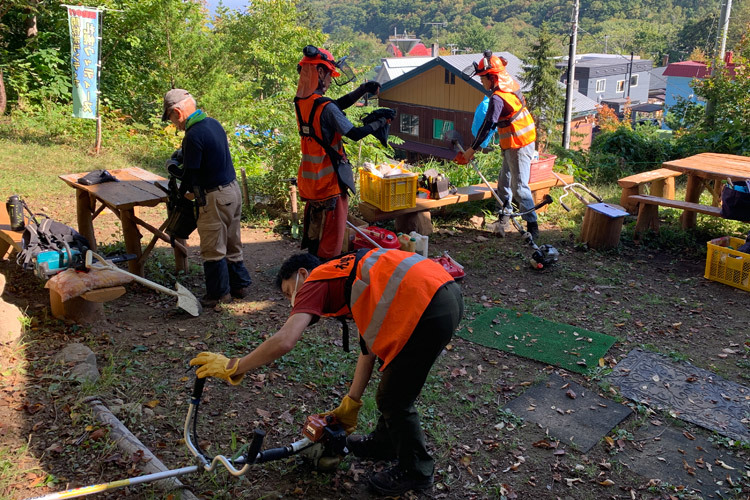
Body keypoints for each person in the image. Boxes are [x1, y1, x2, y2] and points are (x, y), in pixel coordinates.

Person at [189, 248, 464, 495]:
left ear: (301, 273)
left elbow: (285, 340)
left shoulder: (316, 279)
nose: (291, 302)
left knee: (394, 398)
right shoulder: (349, 276)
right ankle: (386, 443)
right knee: (395, 383)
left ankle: (416, 471)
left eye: (288, 292)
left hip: (426, 304)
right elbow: (368, 349)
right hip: (443, 295)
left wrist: (234, 366)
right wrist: (351, 402)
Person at [294, 45, 393, 260]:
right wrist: (379, 123)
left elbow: (334, 107)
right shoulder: (325, 106)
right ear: (319, 73)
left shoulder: (301, 102)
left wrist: (362, 89)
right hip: (330, 183)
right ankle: (324, 280)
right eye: (329, 74)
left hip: (311, 184)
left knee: (315, 235)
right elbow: (354, 133)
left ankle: (310, 270)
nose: (330, 80)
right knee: (331, 241)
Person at [161, 89, 252, 307]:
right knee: (232, 241)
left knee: (212, 247)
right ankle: (238, 285)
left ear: (177, 112)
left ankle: (218, 294)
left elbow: (191, 177)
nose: (174, 124)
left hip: (214, 196)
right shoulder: (212, 123)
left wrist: (174, 169)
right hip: (232, 191)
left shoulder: (193, 135)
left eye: (171, 118)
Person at [456, 51, 539, 238]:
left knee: (519, 187)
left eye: (483, 78)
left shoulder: (497, 98)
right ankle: (504, 216)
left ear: (493, 77)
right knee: (504, 181)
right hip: (512, 141)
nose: (481, 82)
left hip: (519, 142)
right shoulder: (510, 84)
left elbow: (487, 125)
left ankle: (533, 226)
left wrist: (471, 150)